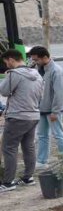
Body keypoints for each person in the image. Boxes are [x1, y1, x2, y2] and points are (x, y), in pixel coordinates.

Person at [0, 50, 42, 191]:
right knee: (28, 147)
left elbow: (4, 91)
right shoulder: (36, 74)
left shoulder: (14, 74)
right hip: (34, 115)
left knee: (9, 148)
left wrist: (7, 77)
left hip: (17, 116)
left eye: (6, 63)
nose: (7, 66)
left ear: (11, 60)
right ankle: (28, 177)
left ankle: (8, 182)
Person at [29, 46, 63, 170]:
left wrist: (55, 111)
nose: (34, 62)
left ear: (45, 57)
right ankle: (41, 161)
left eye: (36, 60)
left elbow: (59, 93)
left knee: (58, 134)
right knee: (42, 135)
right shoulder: (38, 69)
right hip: (41, 109)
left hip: (53, 110)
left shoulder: (57, 71)